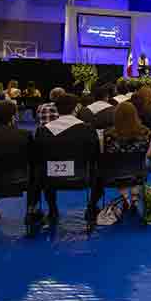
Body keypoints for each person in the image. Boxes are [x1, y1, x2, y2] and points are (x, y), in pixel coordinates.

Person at [30, 94, 101, 224]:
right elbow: (95, 156)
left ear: (56, 109)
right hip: (82, 177)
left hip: (49, 178)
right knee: (98, 171)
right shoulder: (88, 129)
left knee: (42, 170)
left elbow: (37, 158)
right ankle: (91, 207)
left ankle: (52, 209)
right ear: (75, 109)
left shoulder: (42, 131)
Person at [90, 102, 151, 214]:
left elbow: (102, 154)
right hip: (138, 174)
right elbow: (147, 155)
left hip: (112, 176)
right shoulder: (147, 133)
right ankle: (134, 197)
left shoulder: (106, 134)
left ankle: (125, 197)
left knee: (114, 167)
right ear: (135, 115)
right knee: (142, 164)